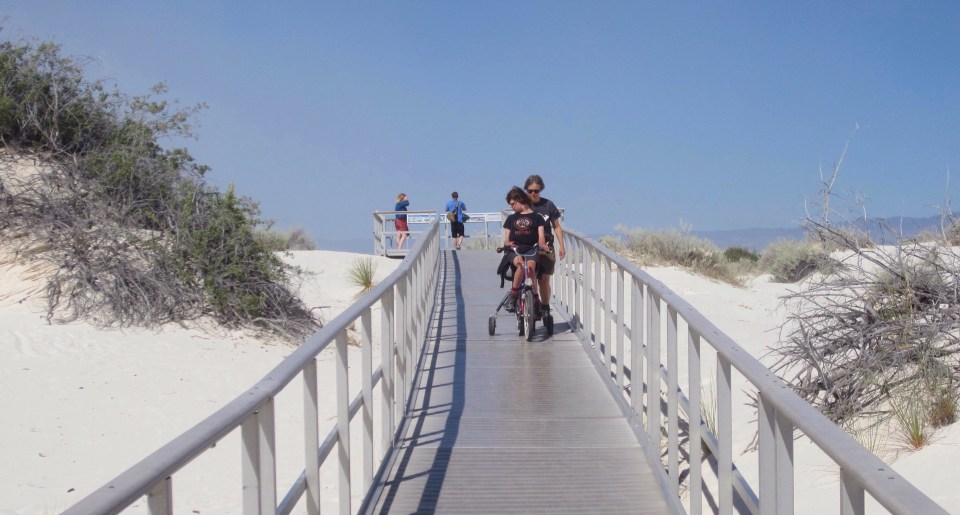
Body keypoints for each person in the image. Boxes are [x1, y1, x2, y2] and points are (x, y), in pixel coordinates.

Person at [524, 174, 565, 317]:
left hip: (546, 247)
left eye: (536, 191)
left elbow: (557, 226)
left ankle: (545, 306)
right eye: (530, 191)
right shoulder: (523, 206)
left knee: (544, 280)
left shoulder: (548, 205)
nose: (533, 194)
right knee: (531, 277)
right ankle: (533, 304)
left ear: (540, 190)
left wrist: (562, 246)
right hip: (528, 247)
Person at [502, 186, 547, 312]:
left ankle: (535, 298)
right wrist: (509, 244)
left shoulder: (537, 218)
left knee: (530, 268)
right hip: (515, 250)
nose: (511, 207)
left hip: (531, 249)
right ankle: (514, 294)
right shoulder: (511, 219)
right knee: (521, 265)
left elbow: (541, 237)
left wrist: (542, 244)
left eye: (512, 204)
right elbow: (506, 240)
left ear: (520, 200)